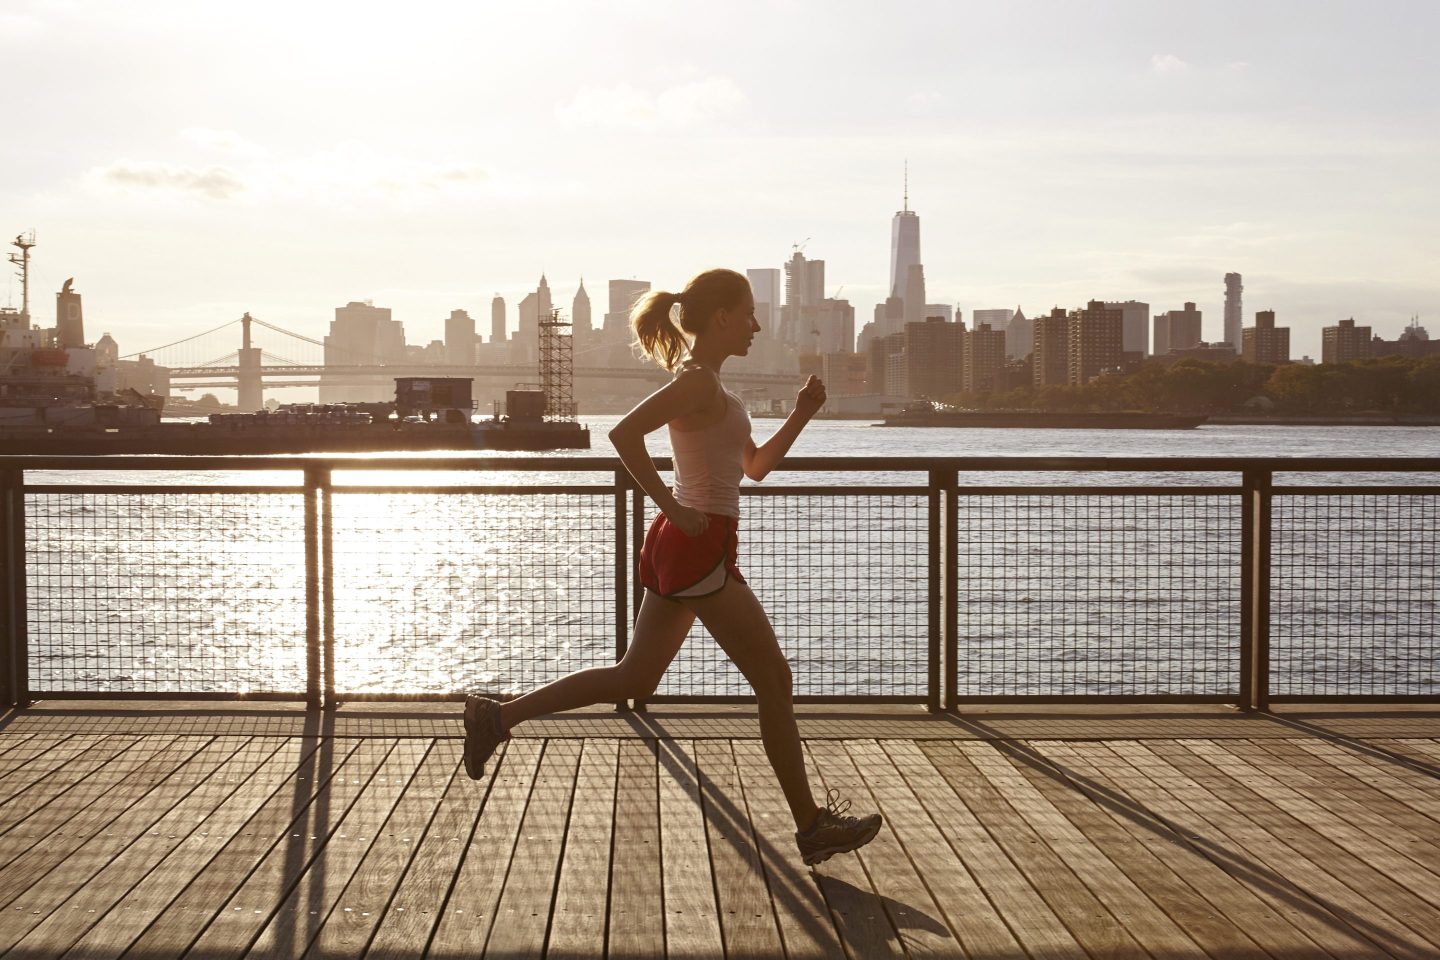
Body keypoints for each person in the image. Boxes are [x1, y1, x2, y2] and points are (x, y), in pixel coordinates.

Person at [464, 267, 882, 866]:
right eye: (748, 314)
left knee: (634, 678)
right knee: (775, 680)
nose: (757, 325)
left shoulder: (715, 388)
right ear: (721, 319)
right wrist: (671, 507)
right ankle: (812, 825)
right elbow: (624, 434)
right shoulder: (697, 384)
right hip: (697, 543)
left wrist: (802, 414)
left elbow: (755, 466)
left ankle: (496, 717)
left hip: (693, 545)